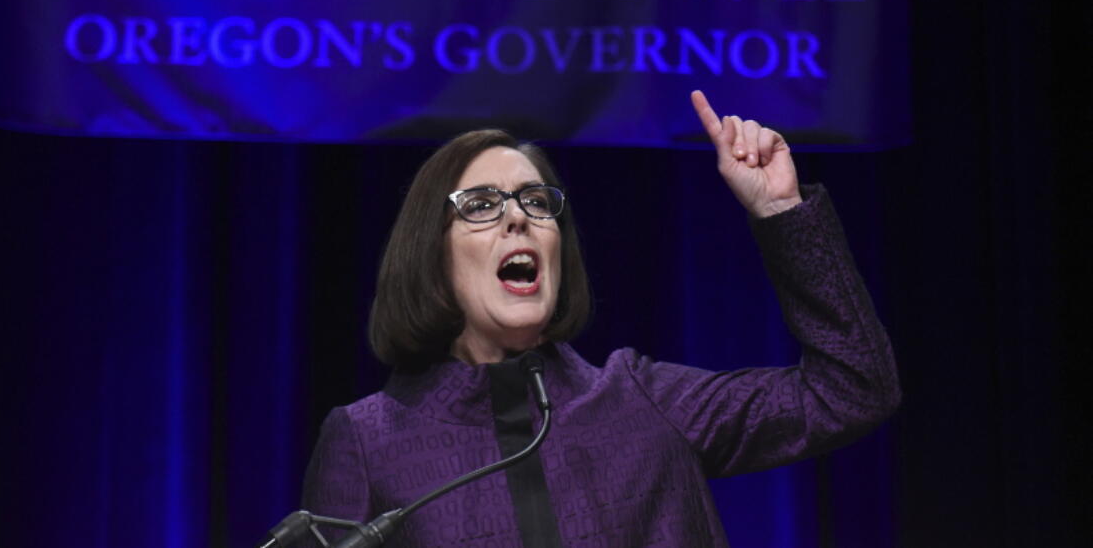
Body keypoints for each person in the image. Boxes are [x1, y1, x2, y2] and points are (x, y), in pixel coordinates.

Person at [300, 91, 900, 547]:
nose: (520, 219)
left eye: (538, 202)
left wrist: (782, 214)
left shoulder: (642, 399)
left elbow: (852, 389)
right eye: (481, 205)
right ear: (431, 254)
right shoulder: (368, 441)